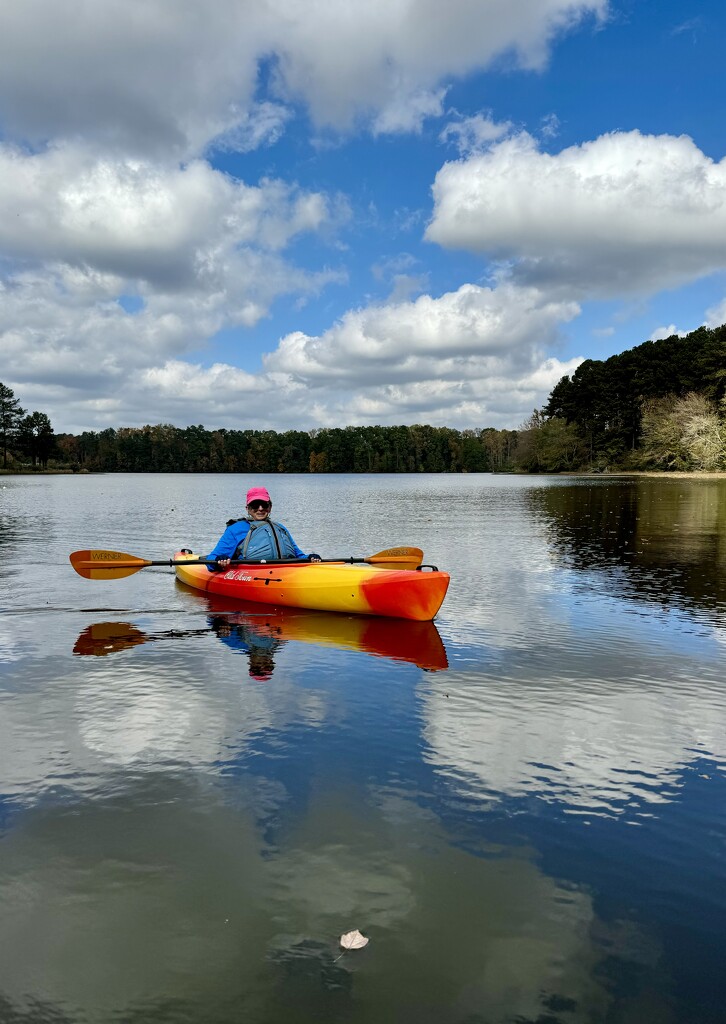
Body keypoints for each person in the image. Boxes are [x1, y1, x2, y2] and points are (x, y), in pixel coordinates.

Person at [205, 486, 321, 569]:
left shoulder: (280, 528)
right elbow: (211, 560)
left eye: (264, 505)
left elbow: (298, 555)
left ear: (270, 507)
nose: (260, 509)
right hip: (251, 573)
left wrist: (310, 557)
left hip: (285, 571)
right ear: (248, 509)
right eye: (255, 505)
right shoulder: (236, 529)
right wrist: (219, 560)